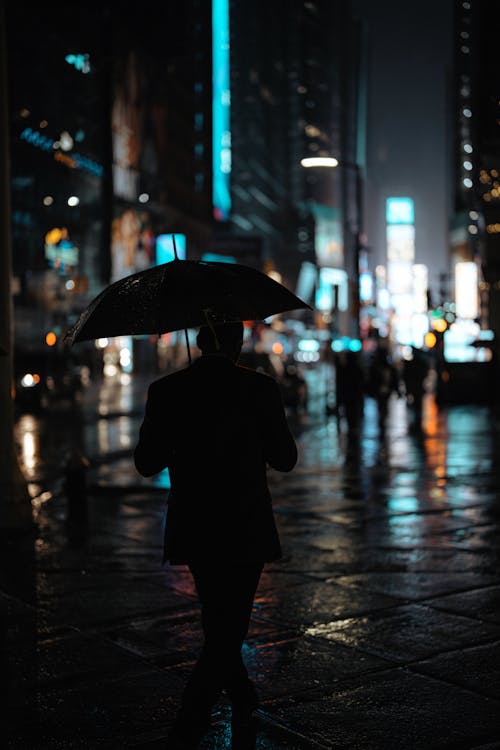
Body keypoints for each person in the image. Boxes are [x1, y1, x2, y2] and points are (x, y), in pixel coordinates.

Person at [134, 321, 298, 748]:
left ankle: (241, 694)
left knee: (218, 618)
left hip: (196, 523)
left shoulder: (167, 390)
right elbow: (285, 458)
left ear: (201, 342)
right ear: (237, 343)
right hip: (246, 522)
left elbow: (146, 463)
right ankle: (192, 718)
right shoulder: (260, 389)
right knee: (231, 623)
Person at [366, 343, 402, 437]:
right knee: (383, 407)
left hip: (384, 391)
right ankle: (382, 422)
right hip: (382, 391)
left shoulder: (378, 367)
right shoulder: (383, 367)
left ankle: (382, 422)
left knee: (383, 407)